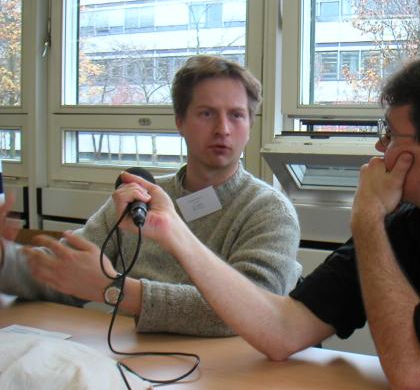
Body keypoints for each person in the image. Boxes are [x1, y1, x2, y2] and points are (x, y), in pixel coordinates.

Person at [112, 48, 420, 390]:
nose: (380, 147)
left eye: (391, 135)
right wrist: (176, 236)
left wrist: (369, 220)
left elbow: (411, 371)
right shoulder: (414, 224)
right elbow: (282, 329)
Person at [0, 55, 301, 336]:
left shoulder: (269, 211)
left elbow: (255, 310)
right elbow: (63, 272)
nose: (222, 129)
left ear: (250, 127)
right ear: (180, 122)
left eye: (236, 115)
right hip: (129, 355)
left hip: (226, 368)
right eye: (207, 113)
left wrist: (114, 288)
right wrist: (4, 258)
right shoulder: (139, 196)